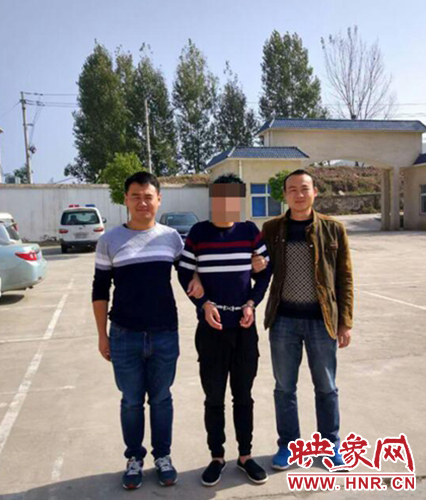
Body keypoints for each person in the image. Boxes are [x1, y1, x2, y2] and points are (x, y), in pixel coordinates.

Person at [92, 171, 202, 490]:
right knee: (130, 401)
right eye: (135, 196)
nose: (142, 202)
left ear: (159, 200)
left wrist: (197, 279)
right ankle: (134, 459)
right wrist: (102, 335)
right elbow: (99, 290)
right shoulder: (110, 240)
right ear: (126, 200)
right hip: (124, 334)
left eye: (148, 197)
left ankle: (163, 457)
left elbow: (188, 273)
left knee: (162, 399)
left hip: (164, 333)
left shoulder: (171, 238)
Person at [178, 173, 271, 486]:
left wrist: (252, 303)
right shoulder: (198, 233)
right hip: (211, 330)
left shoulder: (249, 232)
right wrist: (203, 303)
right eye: (221, 197)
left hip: (244, 329)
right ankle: (217, 457)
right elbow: (184, 272)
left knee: (243, 396)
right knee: (214, 397)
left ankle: (245, 456)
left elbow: (265, 271)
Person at [259, 169, 354, 470]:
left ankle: (330, 445)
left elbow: (345, 277)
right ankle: (289, 446)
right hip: (283, 321)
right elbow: (259, 270)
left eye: (304, 188)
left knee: (326, 387)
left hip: (322, 321)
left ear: (315, 192)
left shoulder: (333, 228)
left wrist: (345, 322)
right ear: (285, 194)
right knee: (284, 388)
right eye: (292, 190)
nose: (299, 195)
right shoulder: (272, 229)